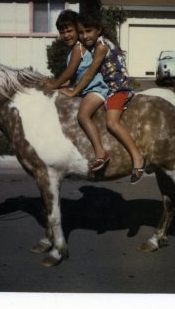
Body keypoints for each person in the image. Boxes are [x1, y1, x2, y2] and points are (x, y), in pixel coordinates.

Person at [59, 11, 146, 184]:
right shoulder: (95, 45)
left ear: (98, 30)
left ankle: (137, 158)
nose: (84, 36)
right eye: (82, 32)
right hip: (112, 88)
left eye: (88, 31)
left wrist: (74, 92)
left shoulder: (101, 47)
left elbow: (90, 74)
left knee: (112, 122)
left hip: (118, 89)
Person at [46, 10, 110, 172]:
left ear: (77, 30)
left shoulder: (78, 48)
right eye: (62, 32)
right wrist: (62, 85)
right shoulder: (76, 49)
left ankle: (101, 153)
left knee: (83, 115)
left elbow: (69, 72)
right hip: (85, 88)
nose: (66, 35)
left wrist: (54, 85)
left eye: (69, 30)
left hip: (95, 88)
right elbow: (73, 77)